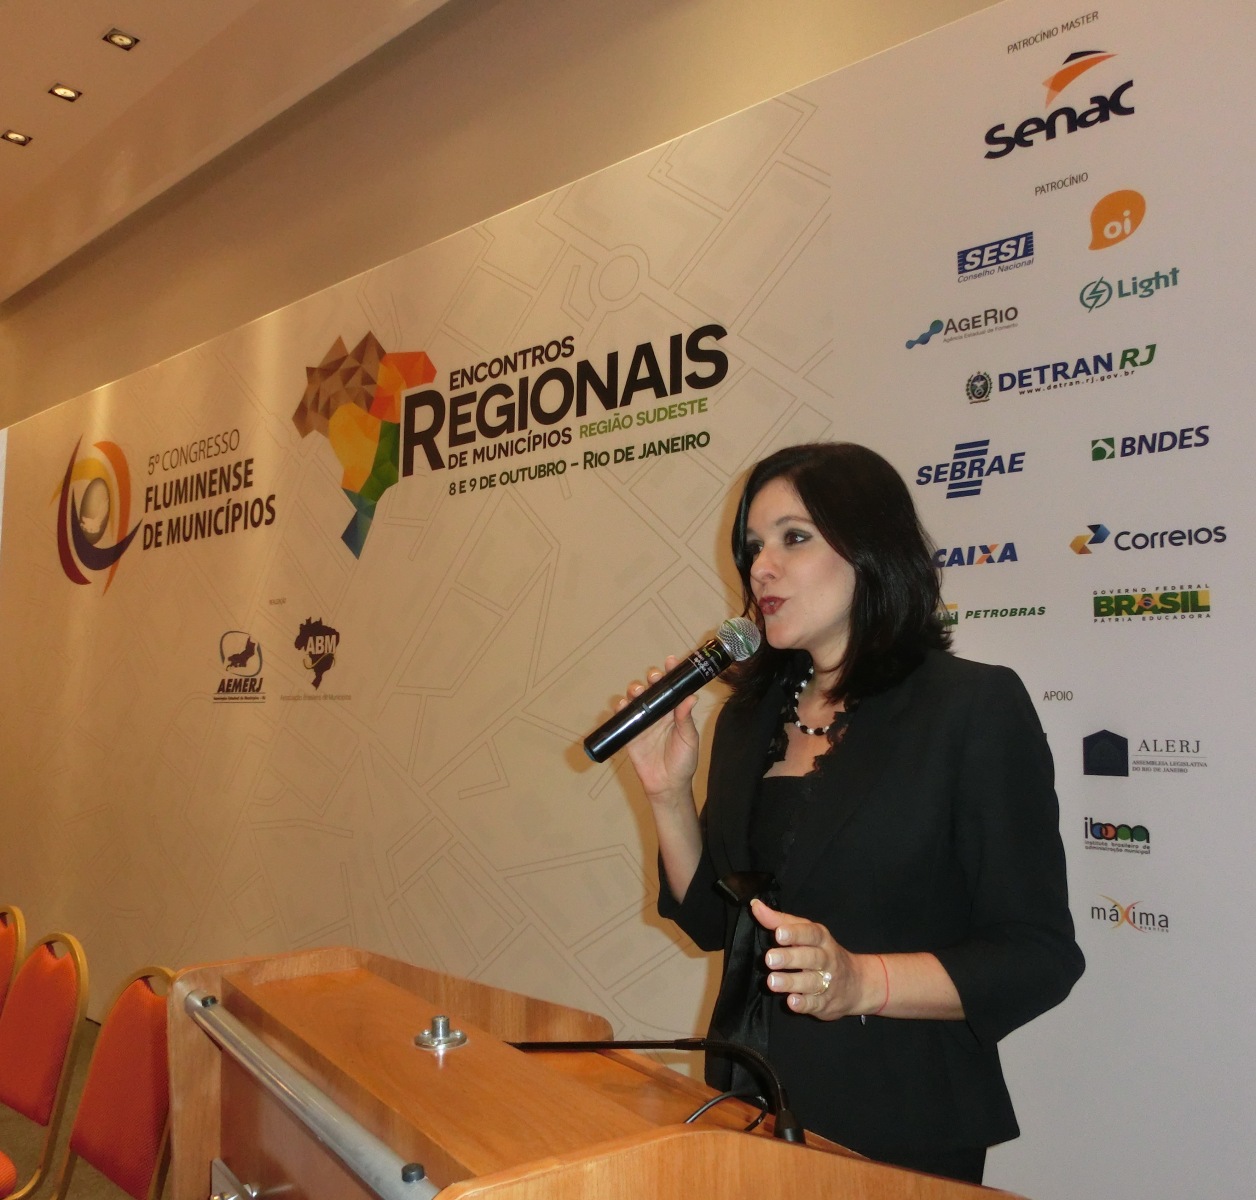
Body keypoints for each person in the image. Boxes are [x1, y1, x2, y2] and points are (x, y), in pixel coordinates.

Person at [617, 442, 1084, 1184]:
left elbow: (1037, 956)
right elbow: (717, 926)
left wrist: (861, 982)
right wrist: (667, 794)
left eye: (794, 537)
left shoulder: (970, 708)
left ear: (870, 550)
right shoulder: (748, 720)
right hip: (749, 1104)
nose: (761, 568)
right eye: (753, 547)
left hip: (898, 1125)